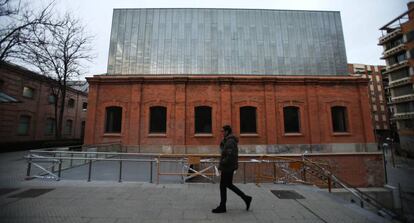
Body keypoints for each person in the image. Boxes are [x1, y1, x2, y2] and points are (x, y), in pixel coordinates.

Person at [212, 125, 252, 213]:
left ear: (227, 131)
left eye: (223, 131)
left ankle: (223, 206)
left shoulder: (230, 141)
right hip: (229, 167)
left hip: (227, 167)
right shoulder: (228, 140)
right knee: (228, 185)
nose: (221, 133)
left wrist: (222, 162)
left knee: (223, 186)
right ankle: (246, 198)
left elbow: (229, 156)